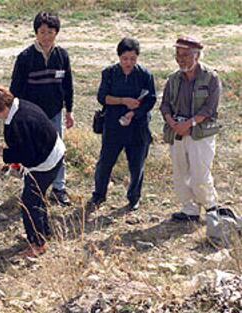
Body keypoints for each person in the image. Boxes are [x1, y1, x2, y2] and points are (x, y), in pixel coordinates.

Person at [0, 85, 65, 257]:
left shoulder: (19, 122)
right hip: (55, 153)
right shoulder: (22, 105)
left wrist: (3, 153)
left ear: (3, 108)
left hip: (45, 163)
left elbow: (29, 156)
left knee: (29, 203)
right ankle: (44, 232)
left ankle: (38, 244)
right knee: (38, 198)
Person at [10, 11, 73, 206]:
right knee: (32, 151)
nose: (46, 36)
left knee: (58, 150)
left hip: (55, 113)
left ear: (57, 33)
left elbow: (68, 85)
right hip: (31, 116)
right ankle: (33, 189)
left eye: (50, 32)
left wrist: (69, 111)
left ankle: (59, 188)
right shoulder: (25, 58)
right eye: (42, 32)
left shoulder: (62, 56)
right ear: (36, 33)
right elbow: (15, 89)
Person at [90, 37, 156, 211]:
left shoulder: (145, 75)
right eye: (125, 59)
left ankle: (134, 197)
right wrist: (123, 101)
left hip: (137, 126)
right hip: (113, 126)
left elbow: (151, 100)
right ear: (119, 57)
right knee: (105, 162)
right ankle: (99, 195)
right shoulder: (109, 73)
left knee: (136, 164)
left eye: (133, 59)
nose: (129, 63)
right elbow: (102, 97)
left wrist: (135, 112)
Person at [160, 36, 221, 221]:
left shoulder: (211, 77)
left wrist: (190, 123)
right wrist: (173, 124)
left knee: (200, 173)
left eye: (185, 55)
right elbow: (165, 106)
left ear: (197, 55)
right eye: (178, 54)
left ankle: (211, 208)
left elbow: (210, 109)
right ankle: (190, 210)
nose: (181, 59)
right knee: (180, 172)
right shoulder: (173, 79)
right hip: (177, 131)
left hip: (200, 133)